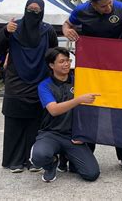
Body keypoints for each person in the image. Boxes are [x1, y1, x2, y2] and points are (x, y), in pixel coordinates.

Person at [62, 0, 122, 172]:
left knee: (119, 111)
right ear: (93, 5)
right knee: (89, 110)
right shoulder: (81, 10)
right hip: (91, 68)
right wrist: (66, 30)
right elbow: (67, 23)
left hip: (117, 68)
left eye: (109, 2)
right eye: (104, 6)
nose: (108, 8)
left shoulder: (121, 8)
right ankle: (87, 154)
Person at [0, 0, 58, 173]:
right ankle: (14, 160)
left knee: (35, 124)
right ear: (24, 8)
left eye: (37, 10)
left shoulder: (48, 30)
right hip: (16, 82)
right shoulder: (14, 27)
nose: (33, 13)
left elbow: (53, 53)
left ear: (42, 12)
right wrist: (5, 32)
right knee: (14, 122)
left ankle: (33, 159)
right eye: (30, 9)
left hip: (39, 82)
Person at [30, 47, 100, 183]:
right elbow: (54, 110)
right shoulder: (44, 86)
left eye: (68, 60)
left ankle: (66, 157)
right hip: (51, 133)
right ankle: (51, 164)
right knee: (38, 157)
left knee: (92, 174)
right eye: (62, 61)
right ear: (51, 65)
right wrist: (78, 99)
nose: (66, 64)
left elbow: (92, 111)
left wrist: (84, 134)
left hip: (73, 135)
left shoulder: (79, 80)